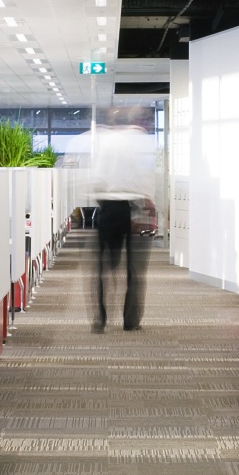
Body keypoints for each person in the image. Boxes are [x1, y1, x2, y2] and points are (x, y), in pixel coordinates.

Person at [86, 111, 157, 332]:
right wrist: (149, 207)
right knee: (135, 270)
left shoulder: (105, 143)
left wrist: (105, 203)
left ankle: (99, 319)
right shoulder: (140, 144)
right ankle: (131, 321)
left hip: (109, 208)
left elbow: (97, 180)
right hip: (133, 208)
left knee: (101, 268)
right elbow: (145, 179)